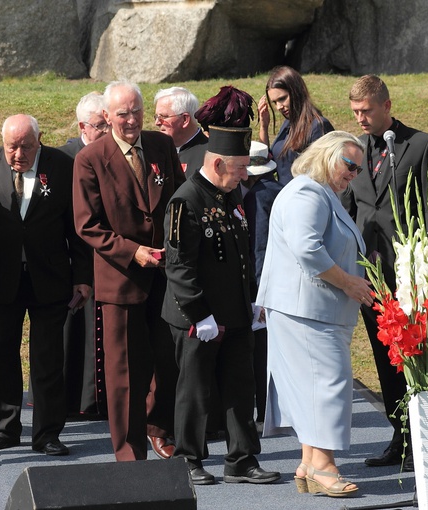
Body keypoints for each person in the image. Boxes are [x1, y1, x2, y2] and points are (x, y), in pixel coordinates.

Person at [162, 85, 281, 486]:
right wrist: (200, 314)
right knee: (194, 393)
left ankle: (242, 459)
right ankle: (188, 458)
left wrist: (251, 301)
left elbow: (240, 256)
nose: (246, 175)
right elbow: (180, 267)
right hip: (197, 317)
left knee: (239, 387)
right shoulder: (187, 201)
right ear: (217, 166)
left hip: (233, 312)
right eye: (241, 168)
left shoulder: (230, 197)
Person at [0, 114, 92, 456]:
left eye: (25, 146)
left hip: (49, 279)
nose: (18, 154)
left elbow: (76, 228)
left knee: (48, 361)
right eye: (11, 147)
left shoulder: (64, 165)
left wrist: (83, 277)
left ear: (40, 141)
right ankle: (3, 430)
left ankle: (47, 434)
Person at [72, 80, 185, 461]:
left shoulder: (161, 145)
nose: (132, 119)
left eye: (137, 110)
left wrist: (172, 247)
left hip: (166, 277)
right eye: (123, 113)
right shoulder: (90, 158)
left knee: (168, 361)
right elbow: (87, 225)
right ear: (106, 116)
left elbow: (179, 202)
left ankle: (159, 428)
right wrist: (133, 252)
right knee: (125, 375)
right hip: (120, 280)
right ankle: (128, 450)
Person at [342, 74, 428, 471]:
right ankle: (400, 436)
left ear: (386, 105)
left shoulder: (421, 146)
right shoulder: (354, 150)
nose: (361, 119)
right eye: (355, 112)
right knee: (386, 358)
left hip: (411, 277)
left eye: (366, 111)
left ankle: (427, 438)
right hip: (372, 277)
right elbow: (349, 207)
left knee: (416, 357)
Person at [257, 131, 370, 497]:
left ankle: (310, 463)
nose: (353, 174)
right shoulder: (307, 191)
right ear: (326, 155)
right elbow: (308, 249)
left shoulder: (319, 192)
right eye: (349, 165)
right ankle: (323, 466)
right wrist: (349, 284)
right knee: (328, 384)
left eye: (358, 169)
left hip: (310, 308)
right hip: (307, 308)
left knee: (315, 386)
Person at [246, 66, 334, 424]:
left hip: (295, 214)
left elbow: (311, 176)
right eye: (274, 101)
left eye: (282, 99)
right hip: (281, 211)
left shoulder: (316, 126)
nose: (279, 105)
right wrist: (265, 129)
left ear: (295, 92)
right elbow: (275, 159)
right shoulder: (289, 123)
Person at [56, 92, 108, 419]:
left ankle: (102, 401)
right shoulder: (63, 159)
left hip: (109, 257)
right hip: (73, 261)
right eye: (101, 125)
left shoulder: (116, 155)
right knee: (74, 338)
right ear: (83, 126)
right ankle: (74, 403)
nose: (107, 131)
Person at [153, 86, 208, 178]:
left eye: (164, 117)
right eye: (157, 117)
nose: (157, 123)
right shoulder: (155, 151)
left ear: (185, 119)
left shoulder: (209, 156)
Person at [58, 91, 109, 159]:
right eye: (100, 125)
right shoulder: (64, 157)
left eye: (110, 123)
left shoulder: (121, 152)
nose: (108, 130)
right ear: (83, 127)